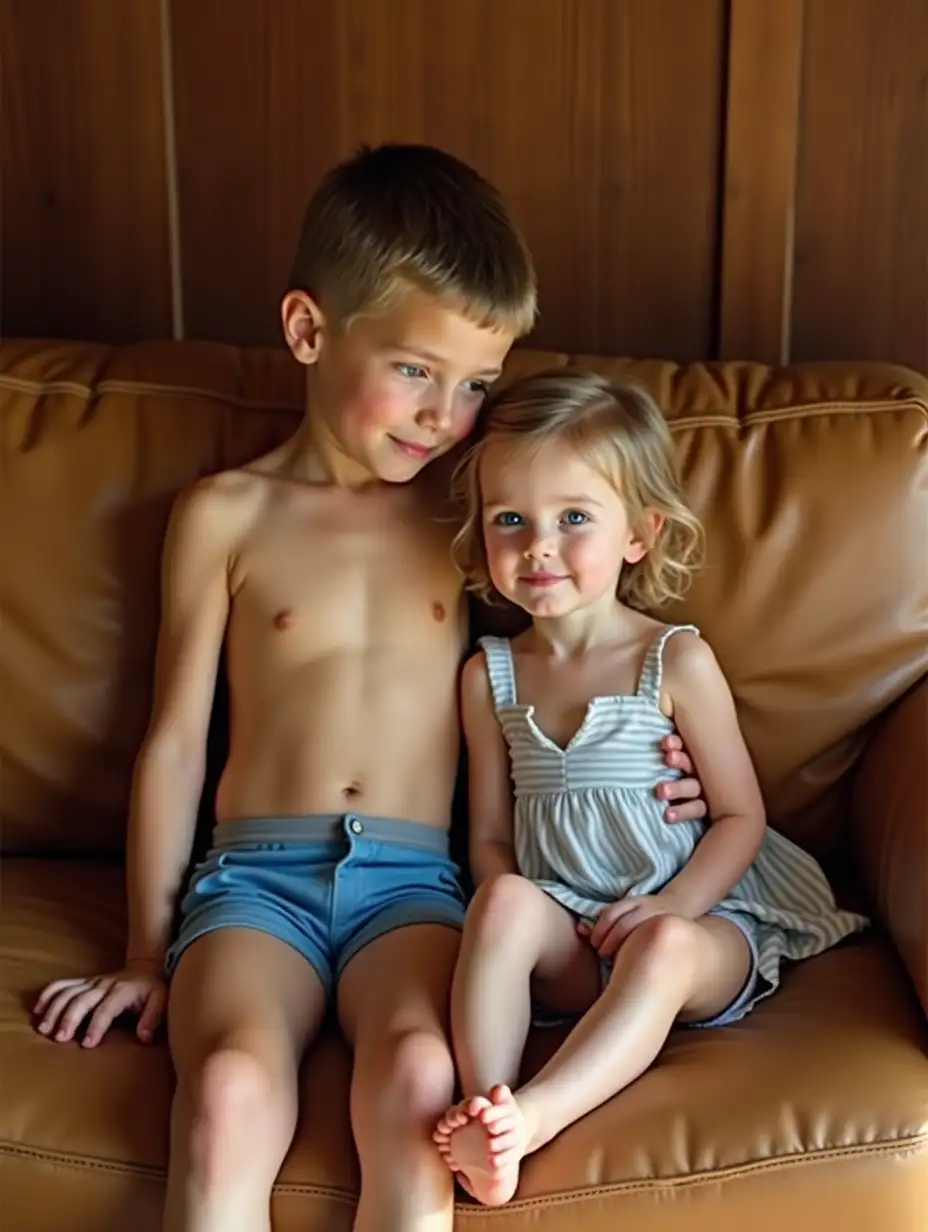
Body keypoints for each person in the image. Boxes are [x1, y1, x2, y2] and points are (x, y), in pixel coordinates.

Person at [30, 147, 706, 1232]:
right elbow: (172, 745)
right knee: (226, 1090)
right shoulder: (225, 515)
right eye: (414, 369)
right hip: (252, 879)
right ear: (308, 331)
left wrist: (642, 752)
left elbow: (578, 625)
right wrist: (144, 953)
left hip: (412, 884)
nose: (445, 413)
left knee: (414, 1084)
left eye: (476, 383)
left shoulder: (474, 513)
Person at [433, 369, 869, 1207]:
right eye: (509, 520)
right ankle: (486, 1111)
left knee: (660, 951)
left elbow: (741, 816)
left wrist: (676, 906)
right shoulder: (488, 676)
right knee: (498, 903)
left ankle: (536, 1116)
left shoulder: (672, 660)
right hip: (573, 933)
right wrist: (513, 904)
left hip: (700, 929)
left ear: (640, 533)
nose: (539, 546)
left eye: (574, 519)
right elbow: (488, 836)